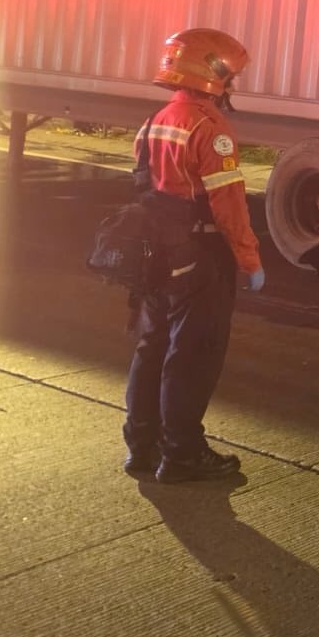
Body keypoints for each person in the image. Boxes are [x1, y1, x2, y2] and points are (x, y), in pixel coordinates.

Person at [122, 28, 266, 483]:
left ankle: (142, 447)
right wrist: (249, 260)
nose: (232, 84)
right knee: (192, 356)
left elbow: (145, 185)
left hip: (156, 255)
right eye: (230, 76)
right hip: (199, 256)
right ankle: (182, 454)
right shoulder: (209, 127)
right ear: (214, 74)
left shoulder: (155, 120)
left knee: (151, 347)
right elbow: (228, 206)